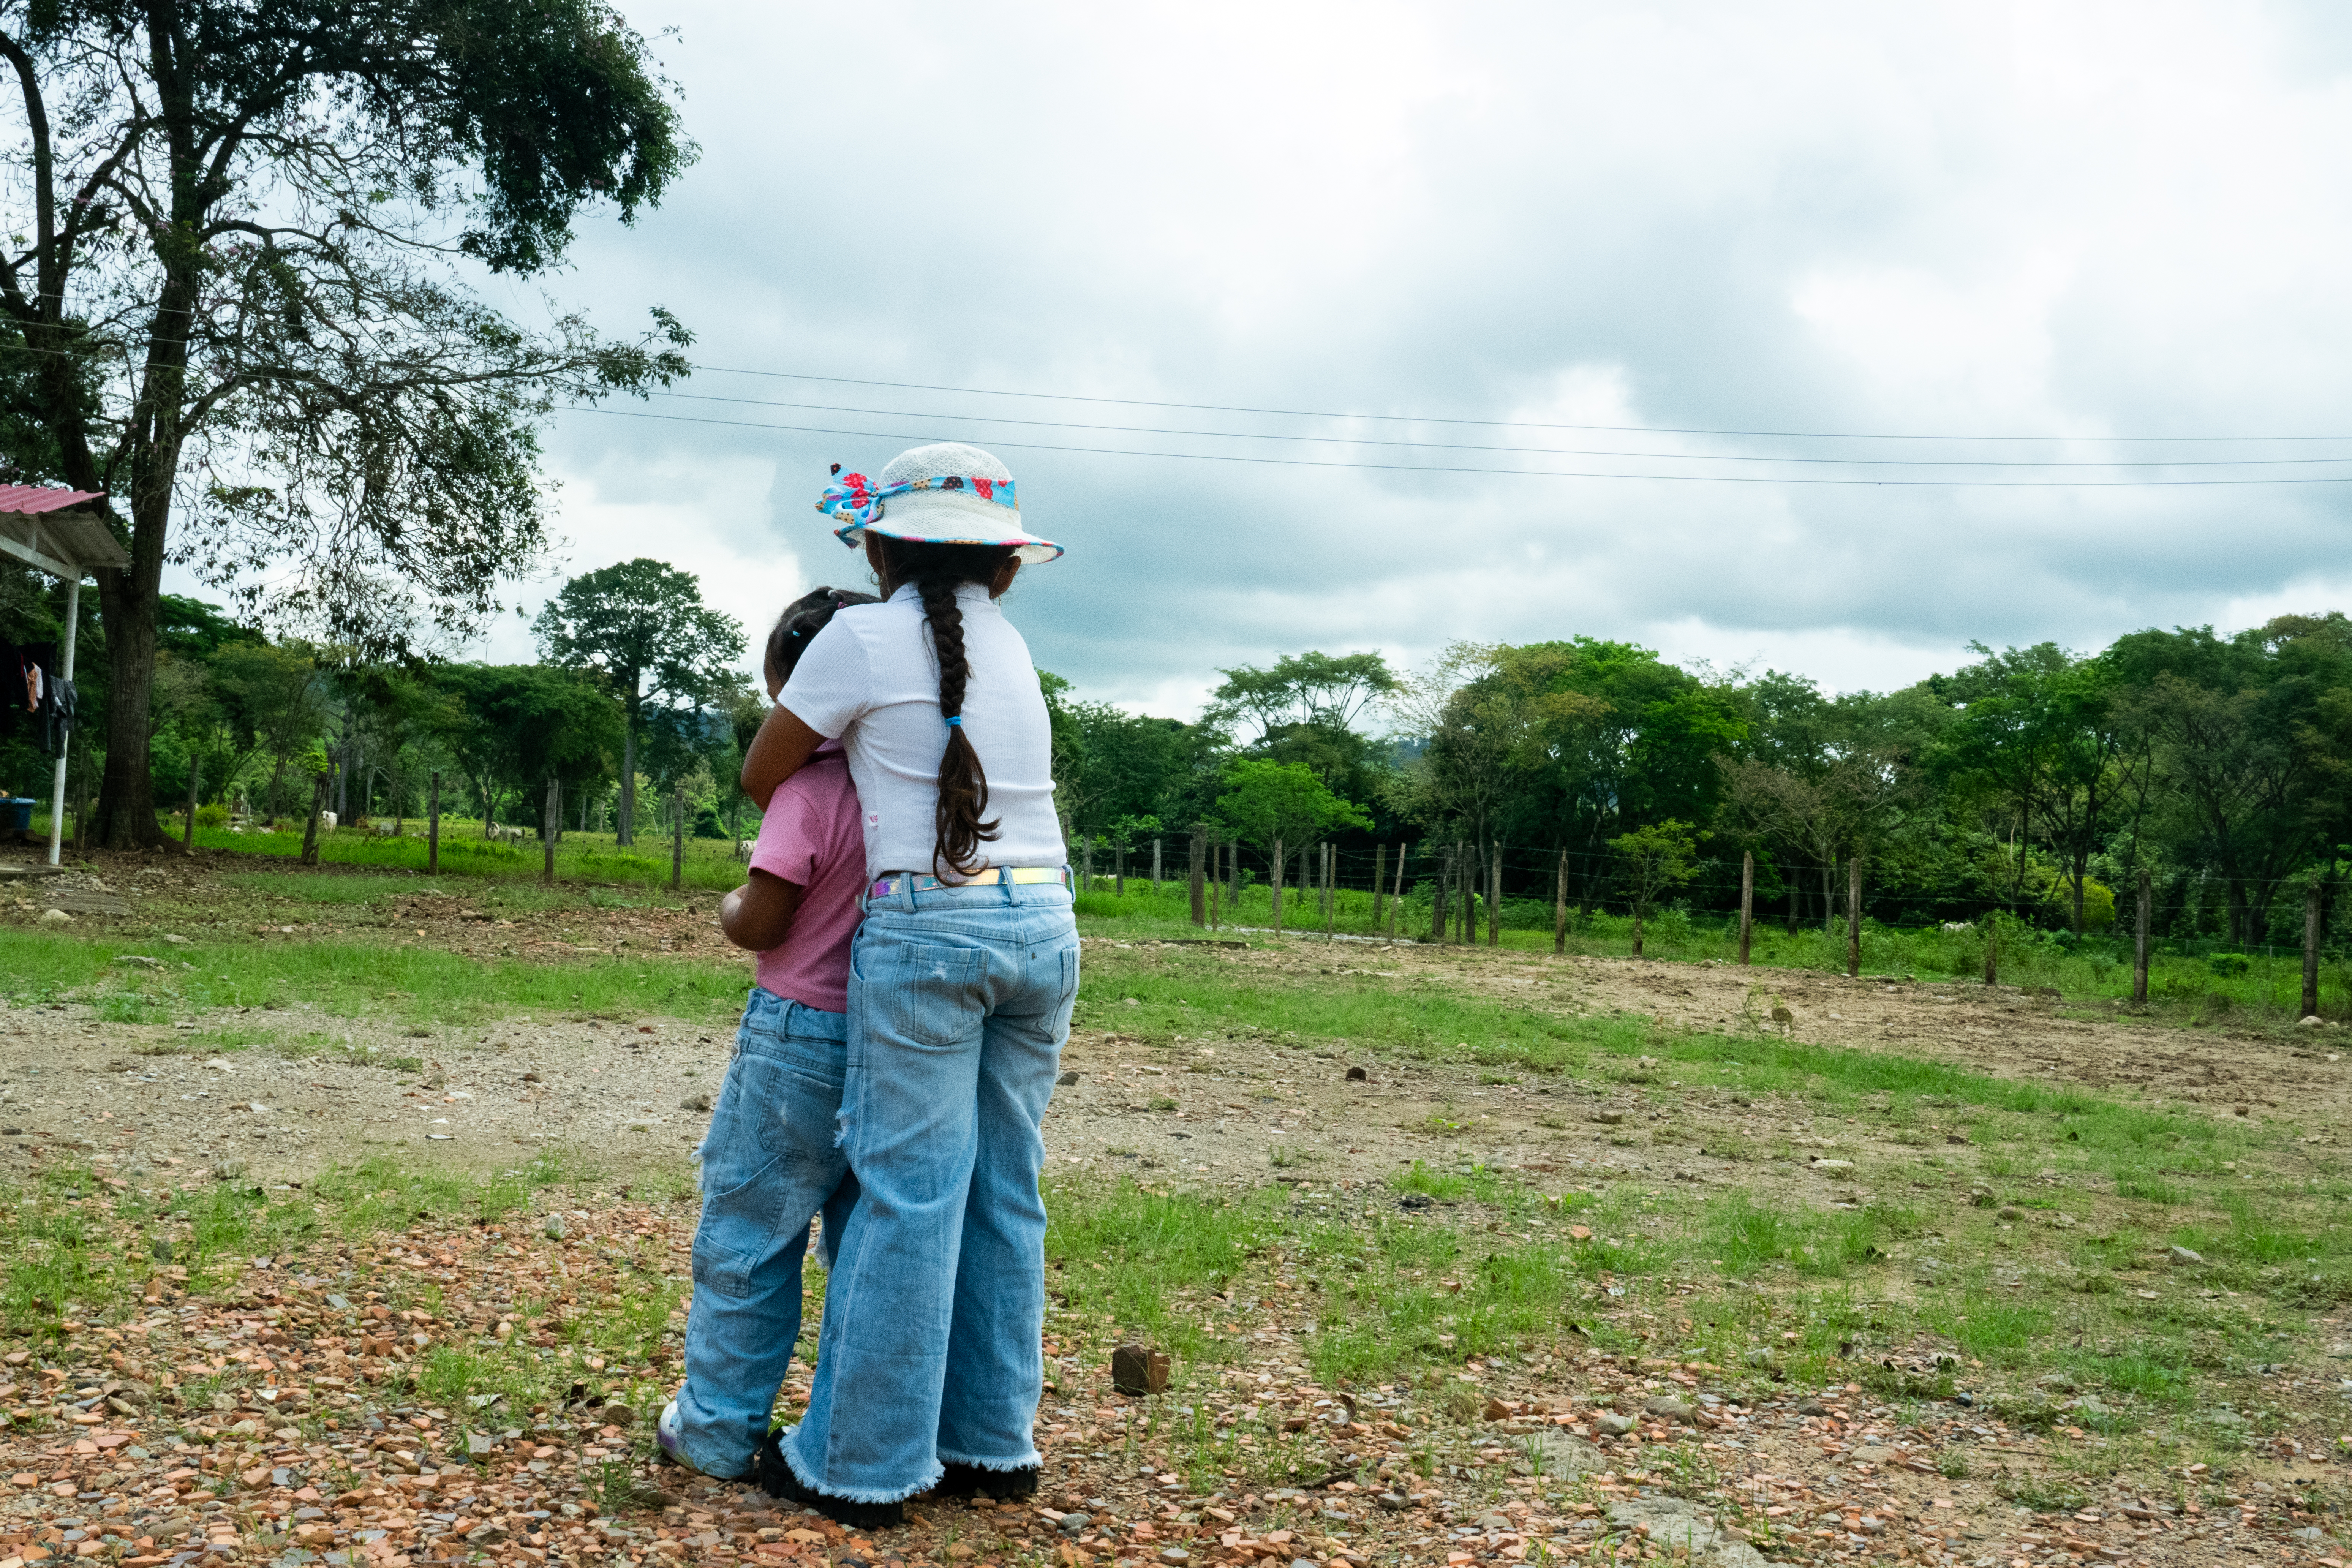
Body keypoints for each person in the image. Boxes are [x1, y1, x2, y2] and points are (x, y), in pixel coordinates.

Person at [738, 441, 1076, 1527]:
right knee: (1003, 1190)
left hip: (931, 926)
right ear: (1008, 568)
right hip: (1048, 922)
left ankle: (862, 1462)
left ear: (877, 549)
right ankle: (991, 1441)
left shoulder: (856, 636)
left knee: (908, 1192)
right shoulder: (1014, 643)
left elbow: (762, 770)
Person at [654, 586, 877, 1481]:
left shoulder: (808, 793)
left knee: (750, 1235)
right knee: (866, 1247)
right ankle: (850, 1433)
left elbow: (766, 921)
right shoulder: (910, 788)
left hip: (795, 1039)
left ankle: (714, 1429)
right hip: (896, 1039)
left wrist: (727, 906)